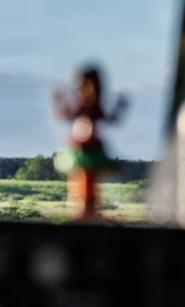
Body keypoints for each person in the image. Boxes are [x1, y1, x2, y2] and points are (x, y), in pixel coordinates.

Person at [52, 66, 128, 220]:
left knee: (88, 177)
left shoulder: (93, 104)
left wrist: (120, 107)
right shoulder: (83, 103)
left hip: (89, 146)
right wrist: (60, 100)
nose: (81, 89)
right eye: (80, 85)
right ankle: (81, 208)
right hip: (80, 145)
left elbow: (108, 118)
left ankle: (88, 210)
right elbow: (67, 115)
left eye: (85, 84)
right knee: (78, 177)